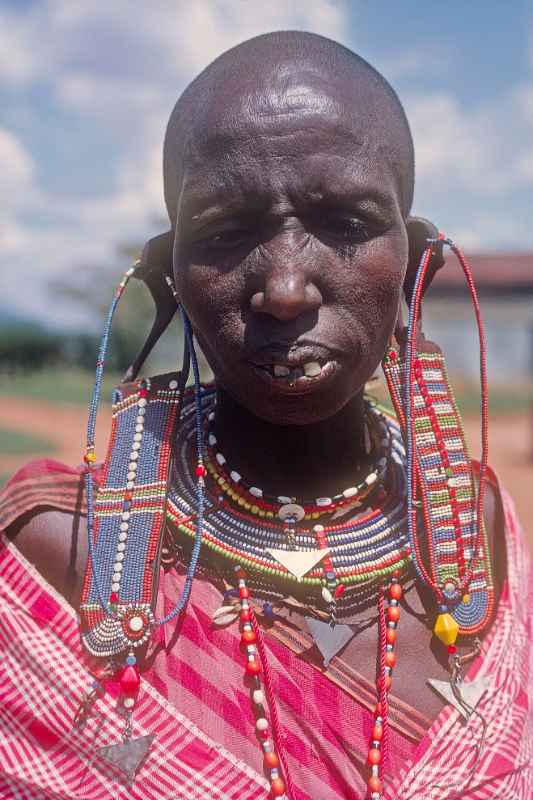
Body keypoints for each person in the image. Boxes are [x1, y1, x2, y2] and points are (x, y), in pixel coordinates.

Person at [0, 30, 531, 800]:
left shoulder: (470, 534)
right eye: (223, 232)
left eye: (345, 221)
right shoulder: (58, 552)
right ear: (169, 276)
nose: (284, 289)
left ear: (414, 263)